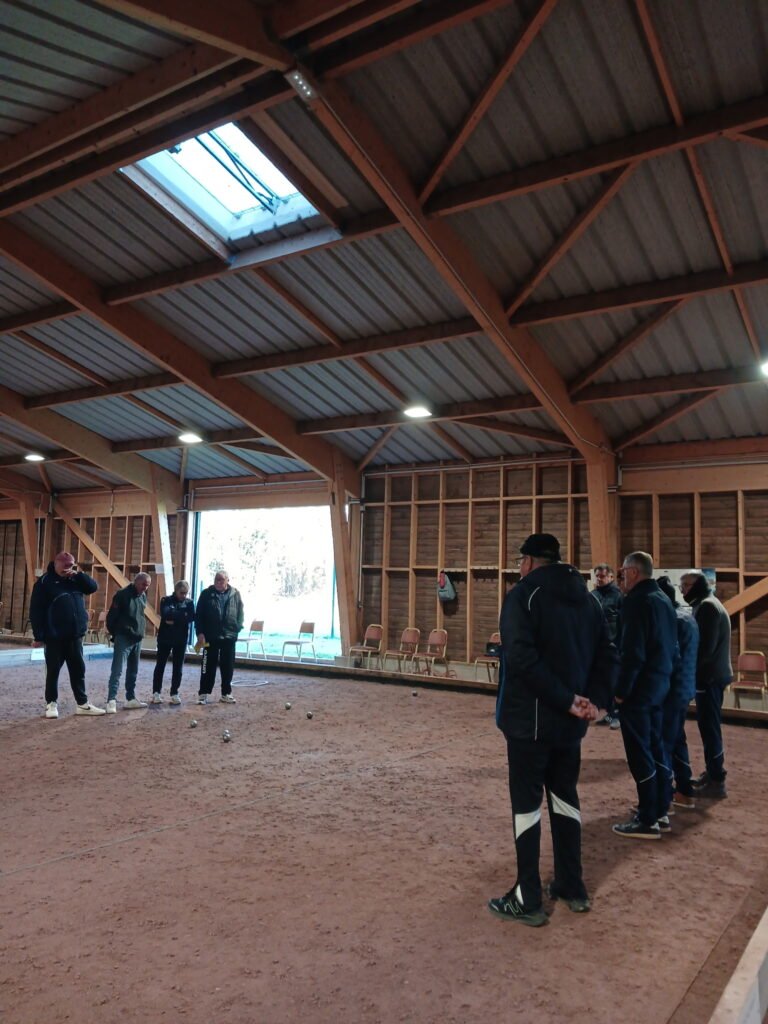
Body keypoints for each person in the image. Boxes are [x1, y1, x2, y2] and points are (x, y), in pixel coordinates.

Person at [488, 533, 618, 927]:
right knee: (565, 799)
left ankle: (526, 897)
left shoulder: (523, 596)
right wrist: (596, 702)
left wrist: (564, 699)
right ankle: (571, 885)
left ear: (528, 562)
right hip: (570, 726)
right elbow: (607, 654)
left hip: (530, 724)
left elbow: (521, 659)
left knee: (527, 806)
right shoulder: (588, 600)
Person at [612, 552, 678, 839]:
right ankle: (661, 809)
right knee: (656, 747)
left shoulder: (636, 602)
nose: (621, 578)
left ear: (634, 572)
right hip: (660, 685)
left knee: (640, 753)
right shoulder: (663, 599)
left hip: (639, 690)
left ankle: (648, 818)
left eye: (623, 572)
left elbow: (632, 653)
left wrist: (621, 692)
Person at [29, 551, 106, 718]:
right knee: (53, 671)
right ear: (56, 563)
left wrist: (78, 575)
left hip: (75, 636)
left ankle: (82, 704)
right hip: (54, 636)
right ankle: (51, 704)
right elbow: (36, 611)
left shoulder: (75, 580)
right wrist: (38, 636)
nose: (67, 568)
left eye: (71, 565)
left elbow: (93, 587)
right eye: (65, 565)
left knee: (78, 670)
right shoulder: (44, 582)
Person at [680, 571, 733, 798]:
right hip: (711, 675)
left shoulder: (707, 607)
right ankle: (713, 772)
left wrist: (688, 672)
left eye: (685, 585)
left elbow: (705, 649)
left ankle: (717, 779)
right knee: (708, 726)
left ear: (695, 585)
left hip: (710, 677)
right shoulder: (707, 603)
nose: (682, 590)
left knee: (710, 728)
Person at [657, 576, 699, 814]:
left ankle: (663, 801)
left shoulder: (671, 620)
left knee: (662, 743)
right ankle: (685, 790)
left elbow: (669, 659)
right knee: (677, 741)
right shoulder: (688, 617)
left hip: (671, 692)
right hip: (685, 688)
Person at [195, 570, 244, 705]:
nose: (218, 582)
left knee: (228, 666)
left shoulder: (235, 594)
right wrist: (200, 633)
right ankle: (203, 693)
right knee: (207, 666)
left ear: (227, 580)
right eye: (216, 579)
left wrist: (237, 627)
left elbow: (240, 612)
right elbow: (199, 615)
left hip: (229, 636)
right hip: (210, 637)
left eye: (221, 580)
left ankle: (226, 693)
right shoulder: (206, 594)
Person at [105, 573, 151, 712]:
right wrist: (117, 634)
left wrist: (140, 632)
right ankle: (111, 700)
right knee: (117, 670)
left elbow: (140, 616)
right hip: (123, 638)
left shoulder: (143, 596)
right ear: (136, 582)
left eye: (148, 585)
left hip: (137, 638)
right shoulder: (121, 595)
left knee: (133, 670)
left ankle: (130, 698)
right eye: (143, 584)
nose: (145, 588)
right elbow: (111, 617)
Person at [151, 580, 195, 704]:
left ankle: (175, 692)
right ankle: (156, 692)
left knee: (178, 668)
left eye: (186, 593)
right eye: (182, 593)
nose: (184, 596)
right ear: (176, 591)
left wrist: (174, 618)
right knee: (160, 665)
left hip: (181, 640)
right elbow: (165, 614)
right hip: (165, 639)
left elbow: (191, 617)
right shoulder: (166, 600)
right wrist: (182, 616)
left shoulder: (189, 603)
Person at [592, 563, 623, 729]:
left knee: (615, 680)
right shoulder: (592, 595)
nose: (599, 579)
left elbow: (623, 621)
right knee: (604, 680)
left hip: (614, 645)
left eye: (602, 576)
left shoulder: (619, 596)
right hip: (597, 645)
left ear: (611, 577)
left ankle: (617, 713)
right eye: (597, 576)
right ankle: (609, 712)